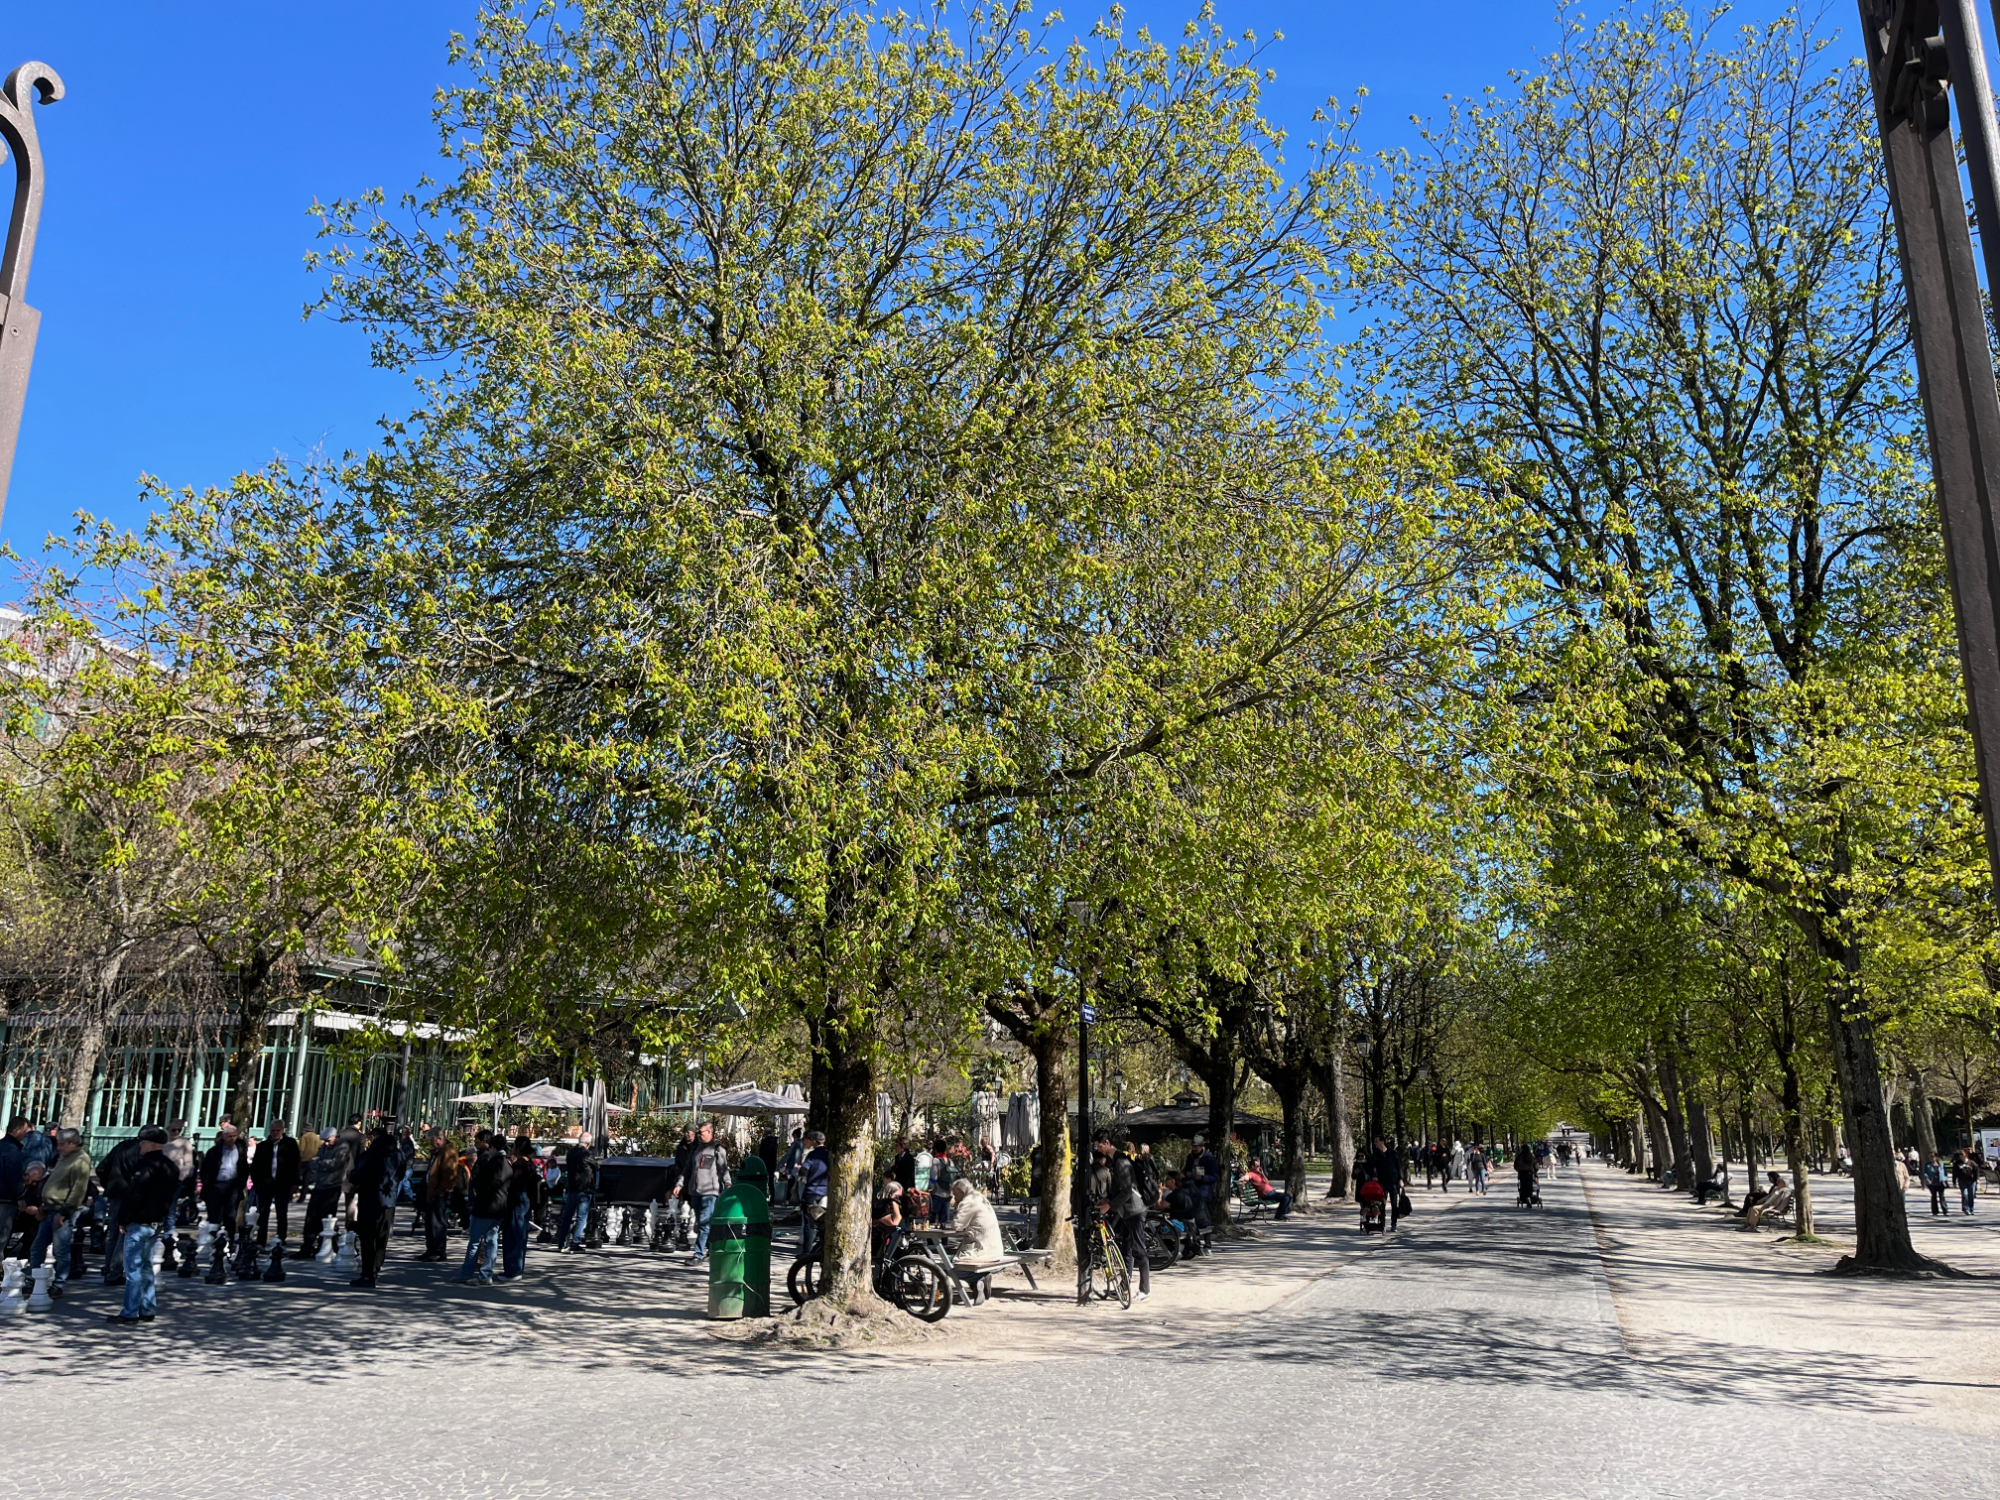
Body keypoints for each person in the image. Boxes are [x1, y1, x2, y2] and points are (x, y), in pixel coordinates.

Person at [100, 1126, 179, 1326]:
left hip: (138, 1222)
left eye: (143, 1142)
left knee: (133, 1269)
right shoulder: (170, 1167)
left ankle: (130, 1312)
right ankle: (148, 1308)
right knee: (146, 1267)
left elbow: (134, 1194)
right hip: (156, 1222)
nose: (140, 1145)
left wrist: (123, 1219)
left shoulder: (145, 1166)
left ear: (151, 1144)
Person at [30, 1129, 92, 1298]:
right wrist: (43, 1207)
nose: (58, 1148)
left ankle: (58, 1284)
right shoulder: (64, 1157)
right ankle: (34, 1279)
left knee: (60, 1250)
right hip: (50, 1208)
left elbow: (77, 1190)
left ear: (73, 1143)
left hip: (62, 1210)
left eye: (62, 1144)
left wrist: (64, 1212)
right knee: (37, 1247)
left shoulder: (80, 1160)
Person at [349, 1126, 399, 1287]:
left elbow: (356, 1176)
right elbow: (402, 1173)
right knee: (382, 1238)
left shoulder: (369, 1155)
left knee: (367, 1238)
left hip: (369, 1200)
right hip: (389, 1201)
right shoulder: (398, 1155)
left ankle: (367, 1274)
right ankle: (376, 1268)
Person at [1102, 1136, 1151, 1301]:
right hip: (1128, 1211)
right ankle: (1124, 1289)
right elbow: (1119, 1189)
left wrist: (1110, 1205)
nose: (1098, 1148)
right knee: (1127, 1251)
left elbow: (1127, 1190)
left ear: (1107, 1143)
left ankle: (1145, 1290)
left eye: (1099, 1145)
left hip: (1135, 1210)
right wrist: (1108, 1200)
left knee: (1138, 1250)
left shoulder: (1120, 1162)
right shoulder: (1117, 1160)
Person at [97, 1128, 147, 1285]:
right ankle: (114, 1271)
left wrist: (109, 1185)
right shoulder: (141, 1151)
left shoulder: (121, 1146)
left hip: (115, 1192)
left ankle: (108, 1268)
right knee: (123, 1233)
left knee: (113, 1233)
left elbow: (101, 1168)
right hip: (129, 1195)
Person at [460, 1131, 509, 1284]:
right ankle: (486, 1274)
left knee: (475, 1241)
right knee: (492, 1242)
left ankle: (467, 1273)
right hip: (499, 1207)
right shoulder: (507, 1164)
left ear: (492, 1147)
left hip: (485, 1206)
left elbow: (480, 1181)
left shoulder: (492, 1163)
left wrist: (477, 1184)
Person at [679, 1121, 732, 1261]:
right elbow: (688, 1169)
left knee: (704, 1223)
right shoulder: (696, 1149)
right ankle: (710, 1249)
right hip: (695, 1191)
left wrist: (728, 1184)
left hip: (710, 1192)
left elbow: (724, 1169)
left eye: (700, 1132)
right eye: (698, 1132)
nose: (698, 1135)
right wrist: (679, 1184)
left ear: (709, 1132)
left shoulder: (717, 1150)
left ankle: (698, 1254)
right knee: (701, 1223)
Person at [301, 1125, 351, 1259]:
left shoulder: (343, 1146)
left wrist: (321, 1163)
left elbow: (336, 1163)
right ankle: (308, 1245)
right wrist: (323, 1164)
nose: (327, 1143)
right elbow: (313, 1161)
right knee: (311, 1216)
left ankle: (327, 1243)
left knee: (327, 1216)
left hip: (333, 1185)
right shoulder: (324, 1147)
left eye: (329, 1140)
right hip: (320, 1185)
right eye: (325, 1141)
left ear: (335, 1136)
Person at [201, 1123, 250, 1258]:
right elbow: (205, 1169)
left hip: (232, 1185)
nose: (232, 1139)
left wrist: (241, 1185)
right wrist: (208, 1184)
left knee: (230, 1216)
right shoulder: (214, 1151)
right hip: (216, 1185)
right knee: (214, 1216)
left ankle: (230, 1241)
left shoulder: (240, 1149)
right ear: (223, 1136)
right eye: (229, 1136)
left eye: (234, 1136)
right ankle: (213, 1242)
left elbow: (243, 1168)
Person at [251, 1118, 301, 1245]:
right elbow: (255, 1166)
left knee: (281, 1213)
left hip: (283, 1184)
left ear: (283, 1130)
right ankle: (261, 1241)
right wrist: (258, 1182)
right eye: (273, 1130)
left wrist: (295, 1183)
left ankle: (280, 1240)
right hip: (265, 1184)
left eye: (278, 1130)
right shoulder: (263, 1146)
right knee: (263, 1213)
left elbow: (296, 1164)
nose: (275, 1133)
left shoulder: (290, 1144)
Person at [502, 1135, 541, 1277]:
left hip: (518, 1200)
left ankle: (512, 1270)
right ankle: (518, 1268)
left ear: (518, 1147)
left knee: (513, 1235)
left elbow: (515, 1184)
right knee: (521, 1234)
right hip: (527, 1200)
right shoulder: (530, 1163)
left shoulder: (519, 1164)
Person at [946, 1177, 1005, 1264]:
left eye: (955, 1195)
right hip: (996, 1250)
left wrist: (956, 1206)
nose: (954, 1198)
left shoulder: (968, 1201)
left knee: (950, 1263)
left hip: (984, 1253)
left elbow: (957, 1226)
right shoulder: (979, 1196)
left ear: (962, 1192)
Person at [423, 1138, 464, 1260]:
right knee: (430, 1222)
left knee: (437, 1223)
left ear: (438, 1139)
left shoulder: (447, 1151)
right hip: (433, 1192)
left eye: (431, 1140)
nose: (430, 1143)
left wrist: (441, 1190)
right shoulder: (438, 1151)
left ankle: (438, 1251)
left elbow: (450, 1175)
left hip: (440, 1193)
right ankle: (431, 1250)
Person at [555, 1132, 594, 1253]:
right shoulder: (586, 1153)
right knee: (581, 1218)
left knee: (567, 1216)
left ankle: (562, 1243)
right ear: (588, 1143)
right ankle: (575, 1243)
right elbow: (596, 1166)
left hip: (572, 1188)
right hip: (584, 1189)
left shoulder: (571, 1152)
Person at [798, 1129, 830, 1259]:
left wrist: (800, 1171)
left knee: (809, 1222)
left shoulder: (812, 1155)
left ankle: (806, 1252)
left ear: (814, 1141)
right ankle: (823, 1247)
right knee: (824, 1221)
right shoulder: (829, 1154)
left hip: (812, 1191)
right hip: (826, 1192)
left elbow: (804, 1171)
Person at [0, 1116, 28, 1257]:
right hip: (5, 1199)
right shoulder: (12, 1150)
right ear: (17, 1130)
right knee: (2, 1236)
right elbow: (13, 1176)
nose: (25, 1135)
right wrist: (20, 1196)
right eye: (24, 1131)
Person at [1369, 1137, 1407, 1226]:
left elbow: (1399, 1166)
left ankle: (1394, 1223)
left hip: (1393, 1182)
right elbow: (1372, 1167)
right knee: (1381, 1204)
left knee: (1394, 1204)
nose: (1375, 1143)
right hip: (1381, 1183)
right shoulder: (1375, 1155)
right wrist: (1374, 1176)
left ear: (1382, 1142)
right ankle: (1382, 1223)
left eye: (1376, 1141)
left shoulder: (1393, 1153)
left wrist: (1401, 1179)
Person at [1921, 1151, 1949, 1217]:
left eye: (1932, 1156)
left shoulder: (1941, 1164)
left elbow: (1945, 1173)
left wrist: (1945, 1179)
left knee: (1942, 1196)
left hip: (1941, 1183)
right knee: (1934, 1197)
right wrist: (1927, 1179)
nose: (1931, 1158)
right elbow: (1925, 1173)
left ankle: (1945, 1210)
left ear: (1936, 1157)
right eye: (1930, 1157)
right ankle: (1935, 1211)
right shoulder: (1927, 1164)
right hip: (1932, 1183)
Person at [1953, 1150, 1980, 1215]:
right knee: (1965, 1194)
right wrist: (1954, 1181)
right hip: (1962, 1181)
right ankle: (1966, 1208)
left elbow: (1977, 1171)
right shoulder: (1957, 1163)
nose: (1961, 1157)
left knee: (1971, 1195)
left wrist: (1977, 1179)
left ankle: (1971, 1208)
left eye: (1962, 1155)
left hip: (1971, 1181)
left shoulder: (1971, 1163)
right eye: (1960, 1156)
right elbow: (1954, 1173)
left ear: (1966, 1155)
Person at [1512, 1142, 1539, 1207]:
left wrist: (1518, 1170)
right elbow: (1536, 1165)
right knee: (1529, 1186)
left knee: (1523, 1186)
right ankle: (1529, 1197)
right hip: (1529, 1173)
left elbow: (1515, 1165)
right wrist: (1535, 1170)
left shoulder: (1519, 1157)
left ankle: (1525, 1197)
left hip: (1522, 1173)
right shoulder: (1531, 1156)